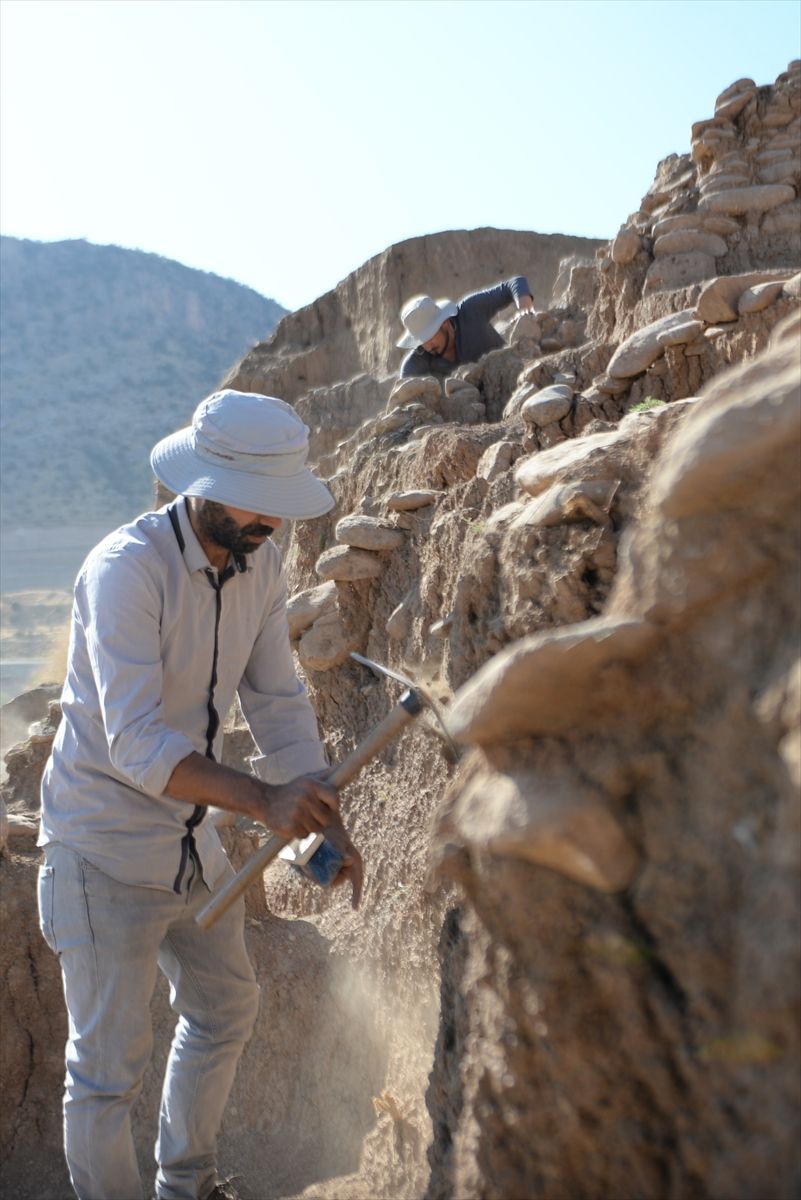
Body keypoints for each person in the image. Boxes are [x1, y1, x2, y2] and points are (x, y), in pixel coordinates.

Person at [36, 389, 362, 1200]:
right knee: (106, 1072)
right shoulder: (127, 572)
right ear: (207, 486)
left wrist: (319, 821)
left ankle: (185, 1185)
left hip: (191, 844)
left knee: (224, 1009)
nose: (274, 525)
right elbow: (138, 744)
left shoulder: (261, 562)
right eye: (263, 507)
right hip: (102, 851)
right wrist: (263, 801)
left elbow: (278, 703)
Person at [396, 275, 535, 379]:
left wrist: (524, 310)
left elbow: (514, 283)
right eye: (421, 340)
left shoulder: (470, 311)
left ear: (444, 322)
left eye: (429, 335)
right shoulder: (415, 364)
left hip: (515, 375)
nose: (427, 345)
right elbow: (405, 397)